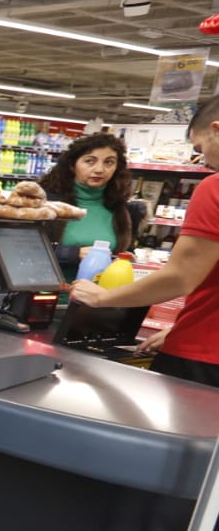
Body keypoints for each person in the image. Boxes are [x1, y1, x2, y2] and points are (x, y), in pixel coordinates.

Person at [71, 95, 219, 388]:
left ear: (217, 129)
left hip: (203, 358)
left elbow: (180, 278)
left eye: (200, 148)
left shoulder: (214, 188)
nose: (203, 160)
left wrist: (101, 298)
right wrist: (180, 327)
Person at [38, 132, 142, 279]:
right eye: (90, 161)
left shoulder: (123, 210)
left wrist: (127, 259)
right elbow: (25, 249)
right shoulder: (45, 203)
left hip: (99, 296)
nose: (99, 169)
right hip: (48, 293)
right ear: (72, 166)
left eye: (109, 162)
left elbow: (127, 250)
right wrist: (74, 254)